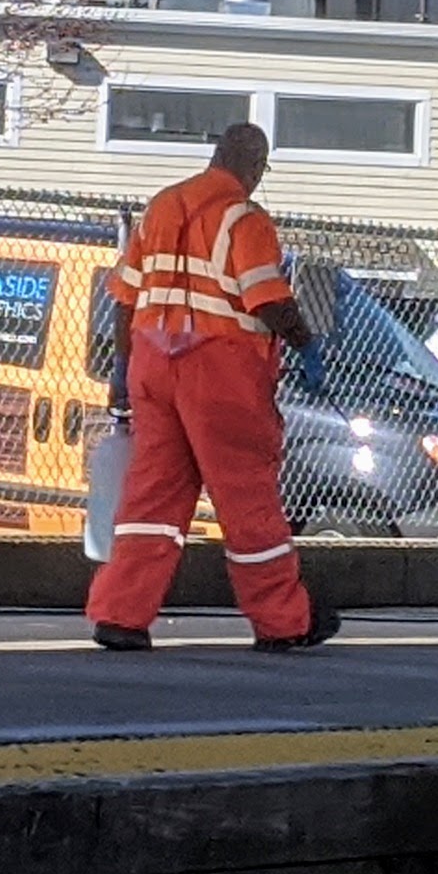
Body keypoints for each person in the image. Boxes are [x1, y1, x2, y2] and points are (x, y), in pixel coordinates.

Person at [86, 120, 339, 653]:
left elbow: (125, 300)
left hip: (153, 364)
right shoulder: (244, 218)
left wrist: (121, 373)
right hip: (220, 372)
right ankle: (282, 620)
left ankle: (120, 616)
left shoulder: (162, 206)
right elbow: (266, 297)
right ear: (254, 167)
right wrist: (305, 342)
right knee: (247, 498)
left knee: (151, 496)